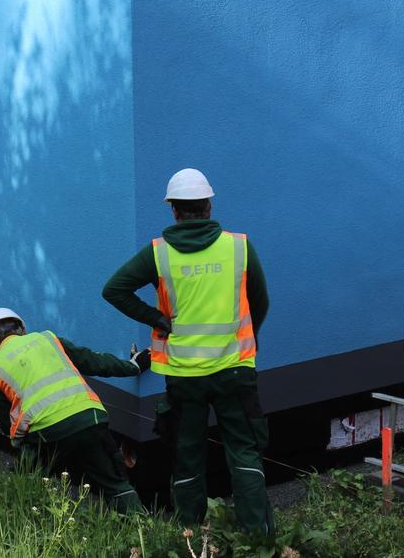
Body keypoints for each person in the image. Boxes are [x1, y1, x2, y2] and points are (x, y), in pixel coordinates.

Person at [102, 168, 273, 535]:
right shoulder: (239, 247)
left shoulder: (158, 255)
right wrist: (248, 338)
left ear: (174, 211)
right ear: (208, 205)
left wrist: (156, 318)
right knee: (244, 454)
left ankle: (190, 536)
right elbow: (261, 301)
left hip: (183, 377)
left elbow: (114, 290)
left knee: (187, 458)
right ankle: (257, 539)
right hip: (234, 371)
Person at [0, 307, 145, 512]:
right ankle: (141, 527)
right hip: (90, 418)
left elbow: (6, 424)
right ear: (22, 329)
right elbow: (93, 361)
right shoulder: (48, 339)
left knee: (26, 476)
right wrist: (133, 366)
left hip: (48, 433)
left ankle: (27, 516)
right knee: (115, 483)